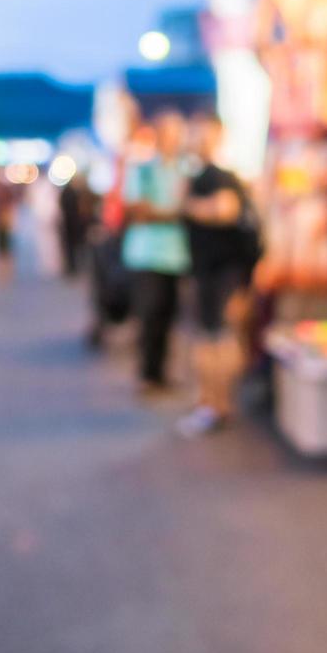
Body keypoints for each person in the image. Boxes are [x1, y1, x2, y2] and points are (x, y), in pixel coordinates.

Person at [178, 114, 260, 437]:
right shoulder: (207, 175)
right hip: (218, 271)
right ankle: (214, 403)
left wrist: (188, 205)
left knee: (215, 338)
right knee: (214, 336)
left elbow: (225, 211)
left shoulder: (217, 177)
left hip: (221, 272)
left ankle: (215, 404)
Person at [122, 110, 190, 392]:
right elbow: (138, 210)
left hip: (176, 256)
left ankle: (161, 372)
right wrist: (177, 213)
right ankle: (148, 374)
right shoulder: (144, 169)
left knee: (168, 316)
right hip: (147, 255)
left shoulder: (186, 169)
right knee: (150, 316)